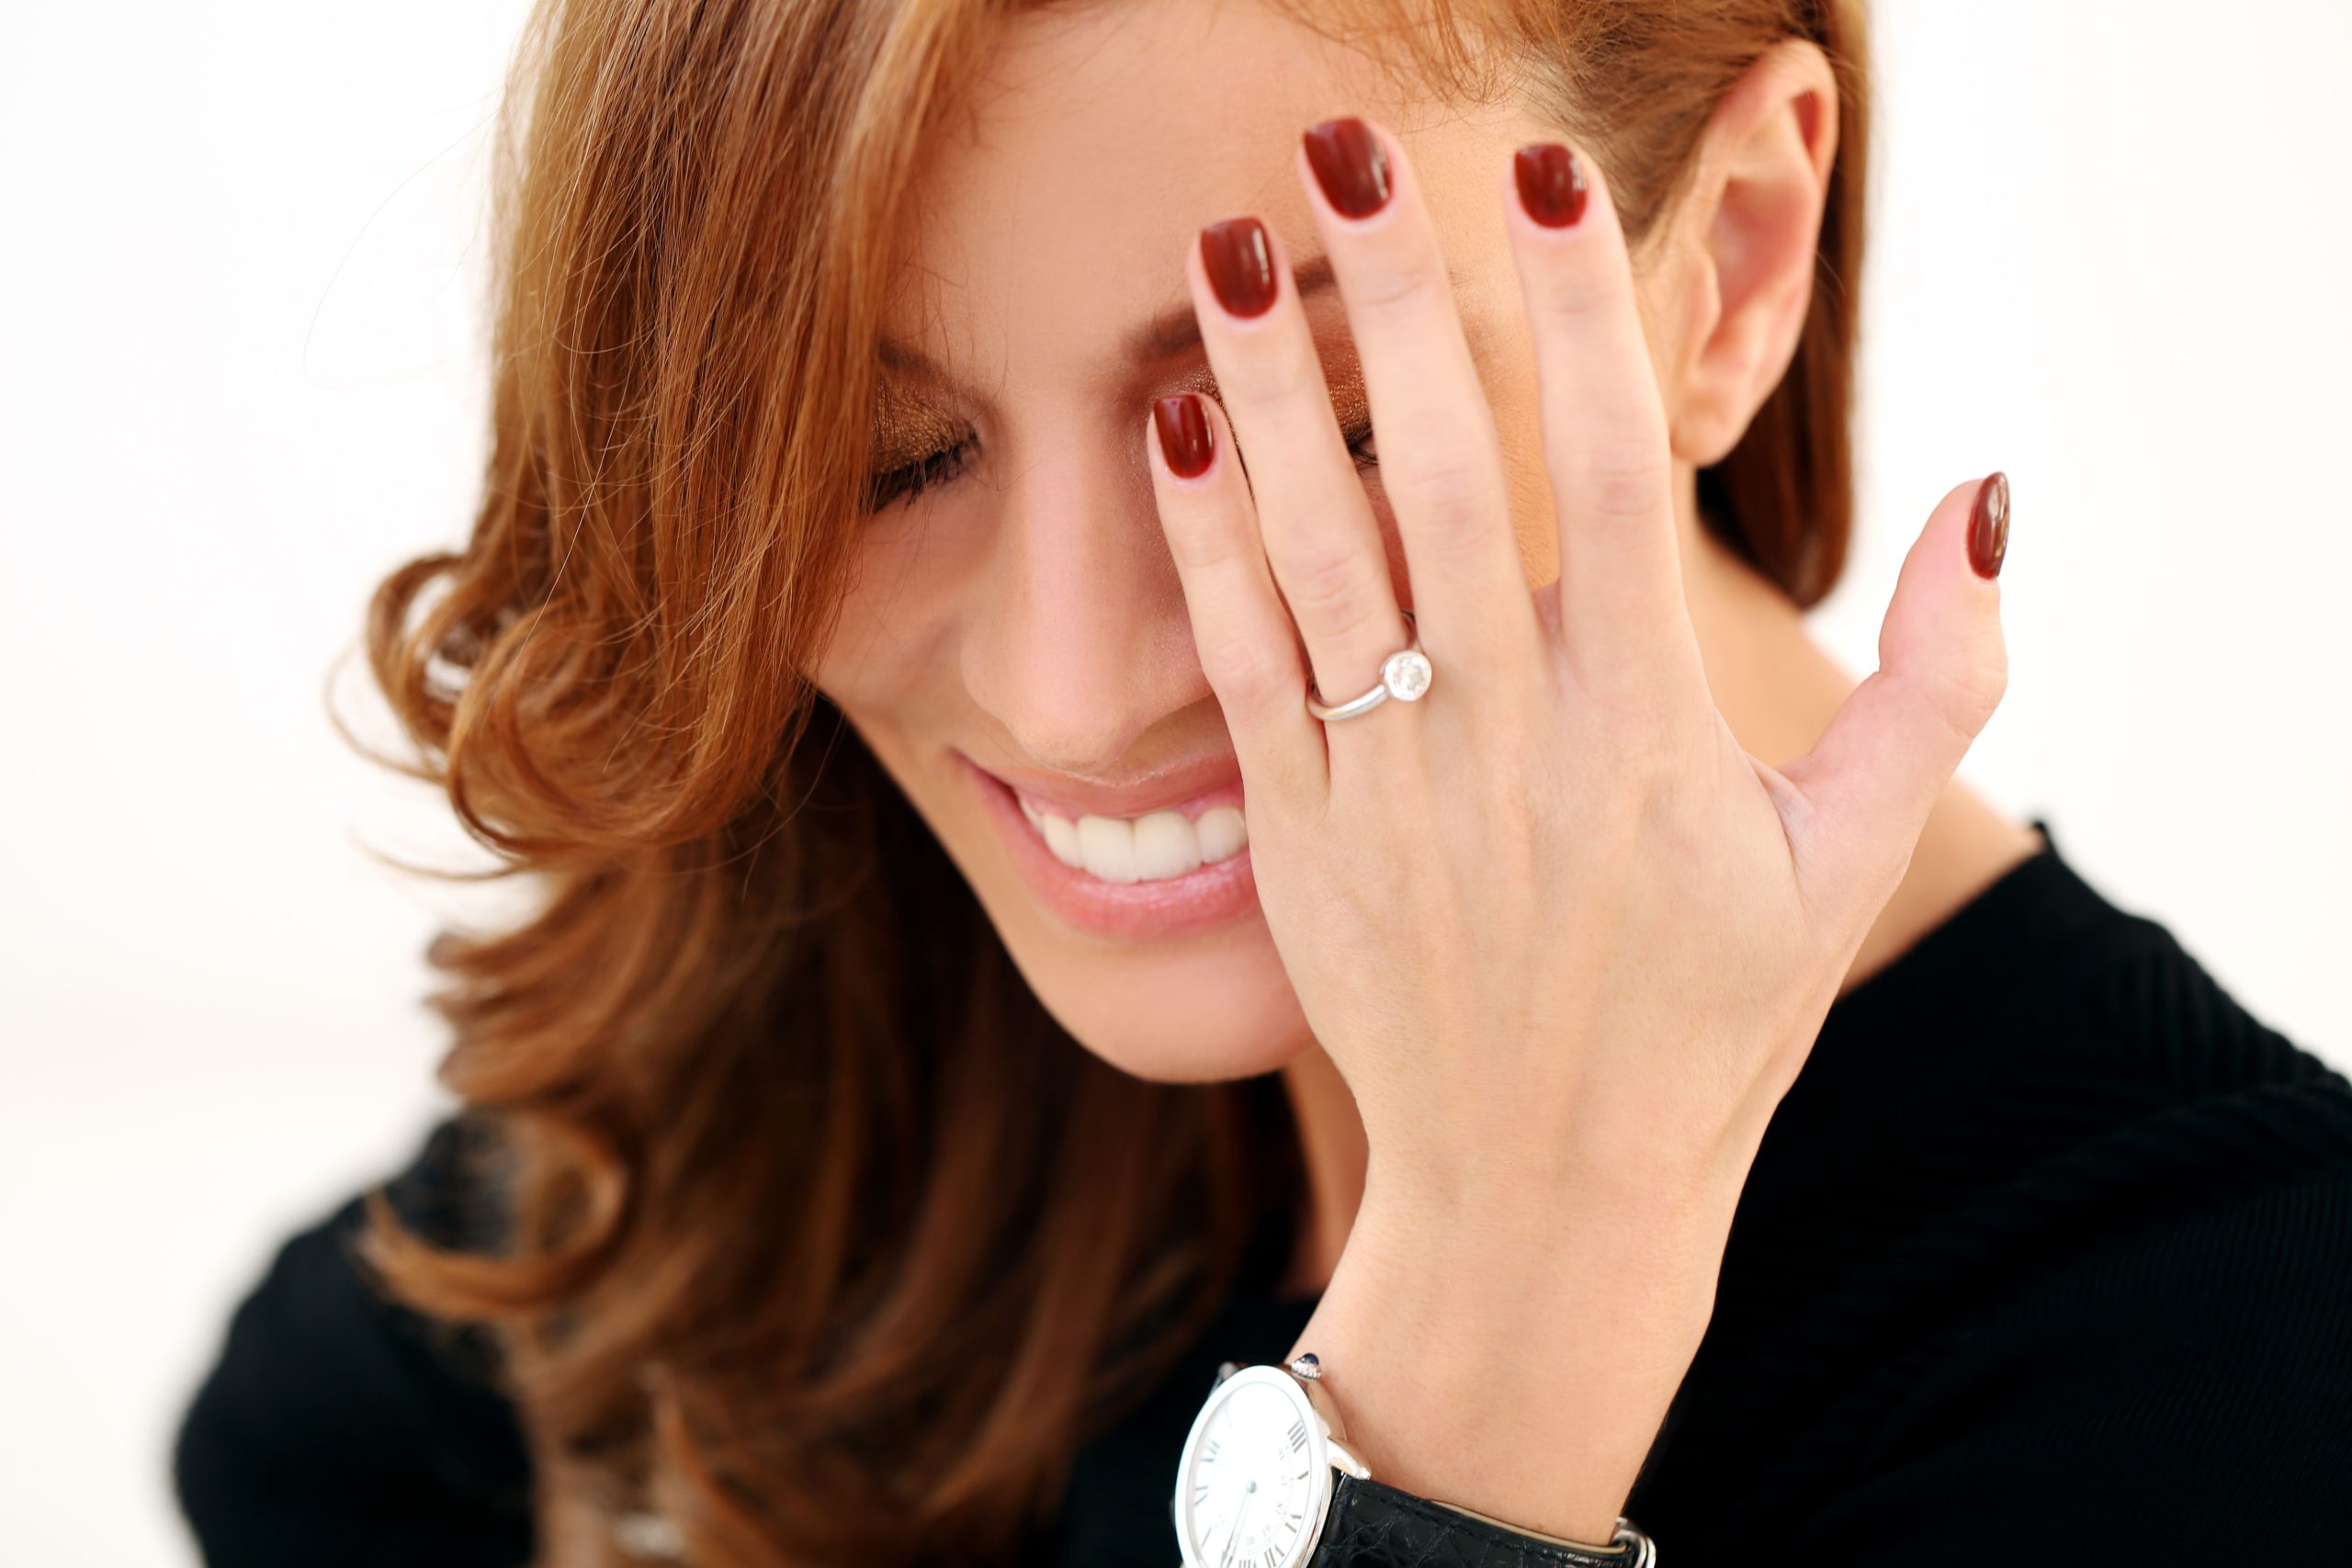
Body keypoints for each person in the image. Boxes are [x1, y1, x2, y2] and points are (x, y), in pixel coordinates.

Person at [175, 0, 2352, 1563]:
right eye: (883, 455)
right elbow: (297, 1458)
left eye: (1297, 413)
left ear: (1733, 263)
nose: (1067, 684)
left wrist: (1481, 1362)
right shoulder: (862, 1016)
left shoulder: (2229, 1371)